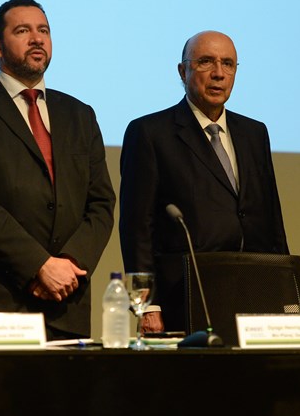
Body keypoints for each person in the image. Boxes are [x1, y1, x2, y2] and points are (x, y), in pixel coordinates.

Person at [0, 0, 115, 340]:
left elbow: (101, 203)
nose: (37, 39)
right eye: (22, 31)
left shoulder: (80, 114)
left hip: (67, 300)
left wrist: (69, 264)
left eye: (43, 30)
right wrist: (38, 266)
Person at [119, 31, 289, 332]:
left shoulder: (254, 133)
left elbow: (271, 220)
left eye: (228, 64)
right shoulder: (150, 133)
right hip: (184, 297)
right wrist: (147, 305)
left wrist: (286, 297)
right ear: (182, 71)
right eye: (206, 62)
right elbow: (137, 227)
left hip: (253, 293)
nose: (219, 73)